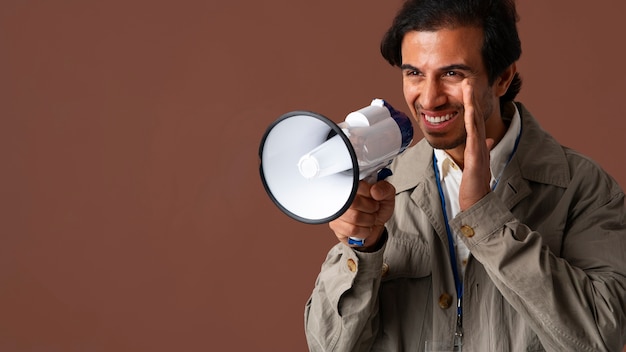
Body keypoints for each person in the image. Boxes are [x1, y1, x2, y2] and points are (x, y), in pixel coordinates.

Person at [303, 0, 626, 351]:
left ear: (502, 77)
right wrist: (362, 251)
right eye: (414, 73)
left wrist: (486, 216)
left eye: (452, 73)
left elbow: (600, 338)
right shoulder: (385, 188)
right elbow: (328, 347)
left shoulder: (583, 188)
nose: (429, 98)